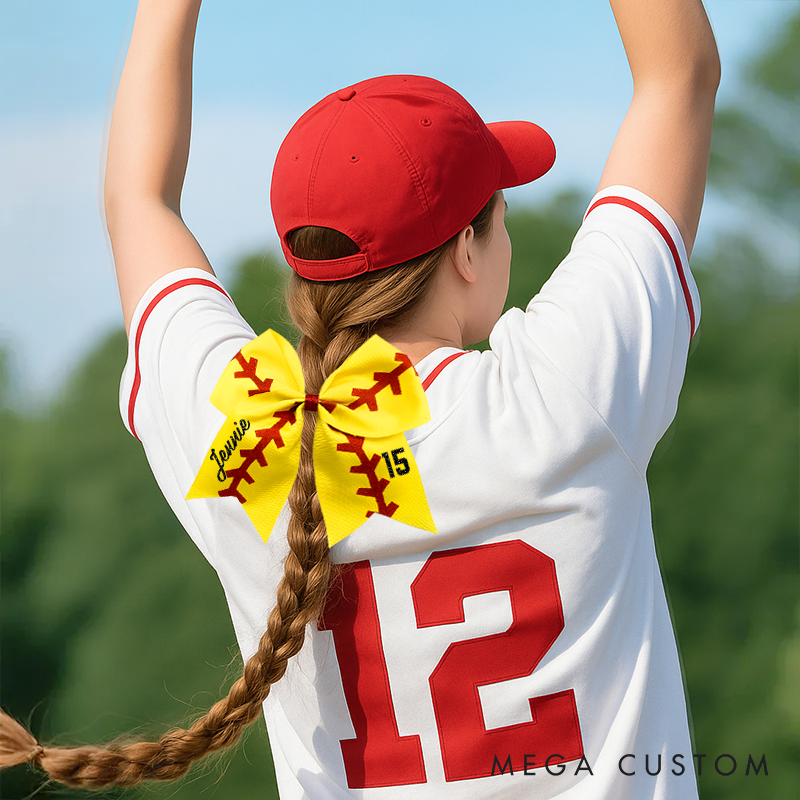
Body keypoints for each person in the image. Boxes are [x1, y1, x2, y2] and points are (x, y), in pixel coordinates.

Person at [0, 0, 720, 797]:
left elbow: (137, 200)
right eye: (500, 214)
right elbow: (678, 74)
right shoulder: (561, 394)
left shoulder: (245, 442)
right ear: (467, 253)